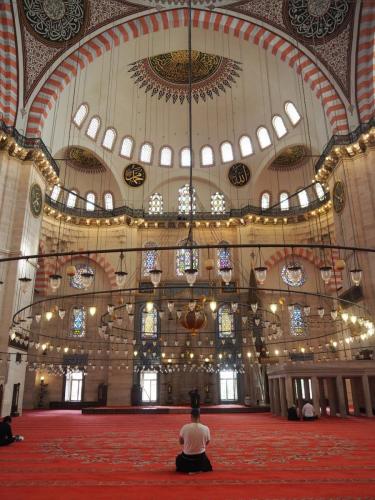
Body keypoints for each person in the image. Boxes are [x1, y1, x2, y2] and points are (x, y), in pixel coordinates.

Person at [176, 408, 212, 473]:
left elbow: (181, 442)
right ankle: (199, 469)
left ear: (191, 416)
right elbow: (207, 442)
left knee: (178, 459)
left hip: (187, 458)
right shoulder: (206, 428)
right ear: (199, 416)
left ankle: (190, 469)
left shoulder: (185, 427)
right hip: (201, 458)